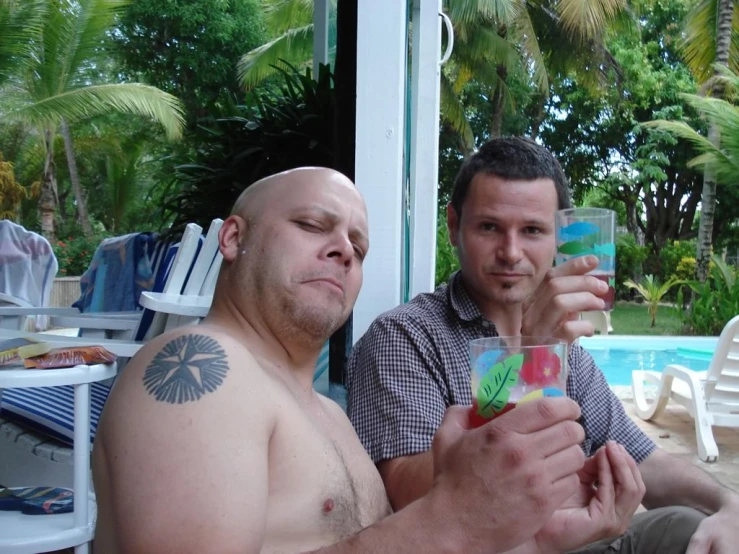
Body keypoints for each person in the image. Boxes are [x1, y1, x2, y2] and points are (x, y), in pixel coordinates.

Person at [93, 166, 642, 554]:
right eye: (312, 225)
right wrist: (452, 518)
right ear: (234, 238)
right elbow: (432, 524)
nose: (343, 249)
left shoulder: (327, 415)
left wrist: (541, 542)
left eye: (358, 245)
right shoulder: (200, 365)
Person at [346, 137, 739, 553]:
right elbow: (410, 496)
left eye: (532, 230)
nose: (511, 252)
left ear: (557, 240)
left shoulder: (569, 353)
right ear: (454, 227)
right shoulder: (405, 337)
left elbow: (644, 459)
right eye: (489, 227)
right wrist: (532, 359)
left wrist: (728, 502)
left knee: (693, 527)